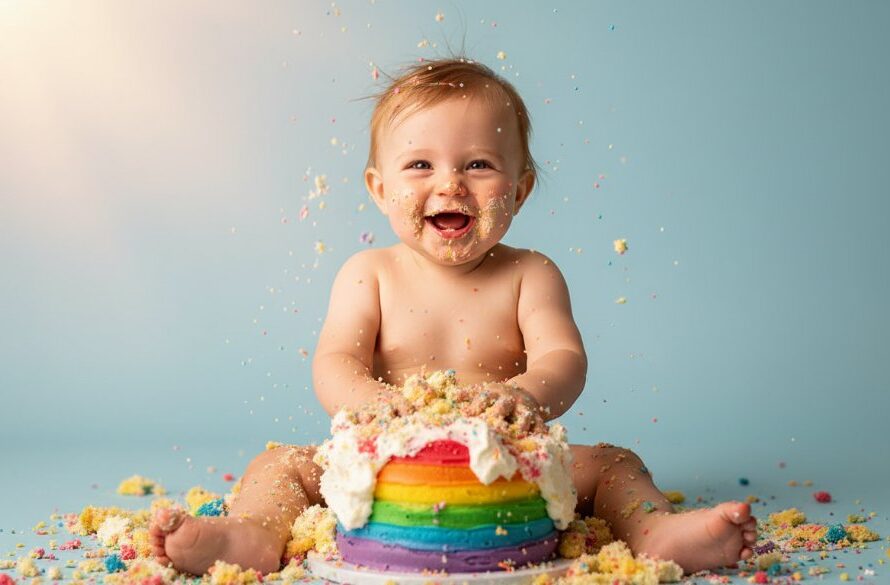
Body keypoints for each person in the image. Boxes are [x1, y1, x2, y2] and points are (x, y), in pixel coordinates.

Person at [150, 57, 757, 576]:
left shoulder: (530, 274)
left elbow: (563, 358)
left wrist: (525, 394)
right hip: (381, 466)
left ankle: (657, 534)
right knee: (279, 464)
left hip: (510, 461)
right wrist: (364, 399)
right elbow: (335, 360)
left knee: (612, 464)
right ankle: (250, 535)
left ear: (519, 191)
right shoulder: (370, 274)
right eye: (420, 166)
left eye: (478, 165)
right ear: (379, 188)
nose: (451, 184)